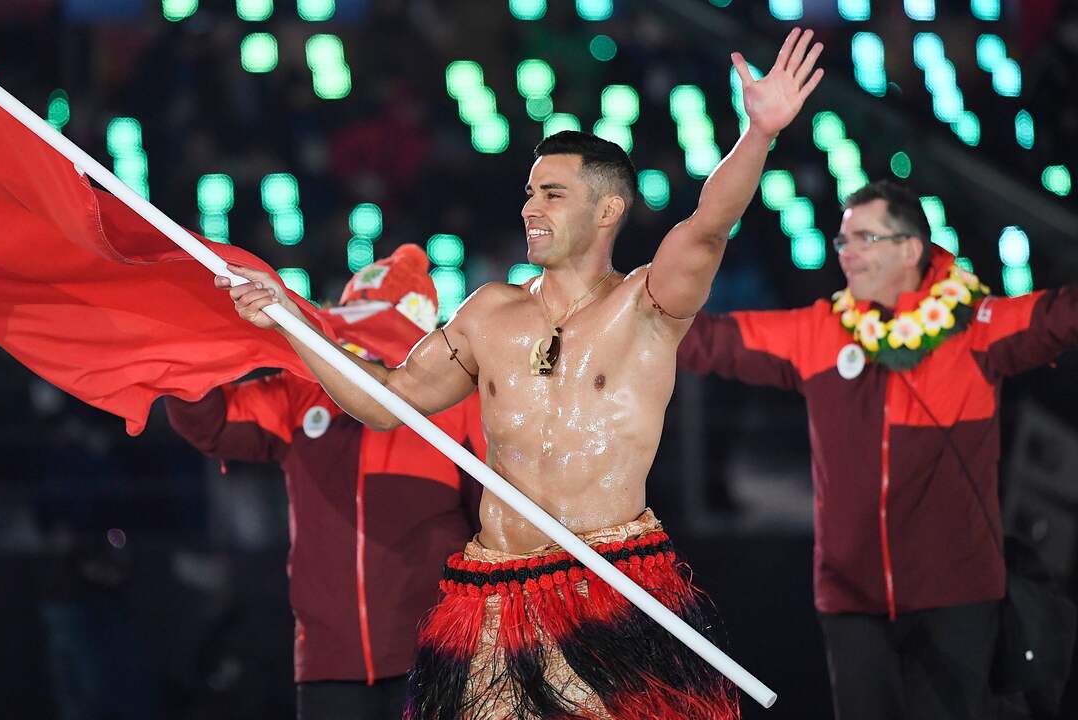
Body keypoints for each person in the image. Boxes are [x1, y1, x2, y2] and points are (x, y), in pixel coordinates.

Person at [219, 29, 825, 720]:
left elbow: (710, 224)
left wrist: (759, 133)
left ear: (607, 210)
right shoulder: (488, 313)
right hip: (490, 593)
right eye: (531, 192)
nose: (530, 207)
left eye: (554, 194)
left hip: (606, 584)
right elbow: (391, 402)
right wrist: (295, 329)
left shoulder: (648, 305)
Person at [676, 180, 1078, 720]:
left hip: (956, 593)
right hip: (852, 600)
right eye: (844, 241)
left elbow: (1060, 316)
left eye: (865, 238)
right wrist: (627, 313)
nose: (849, 253)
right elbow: (710, 340)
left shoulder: (976, 328)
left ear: (911, 249)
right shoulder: (822, 330)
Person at [165, 244, 486, 720]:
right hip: (328, 662)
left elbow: (497, 516)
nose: (370, 341)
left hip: (436, 651)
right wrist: (193, 345)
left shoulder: (458, 397)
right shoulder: (301, 388)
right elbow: (212, 422)